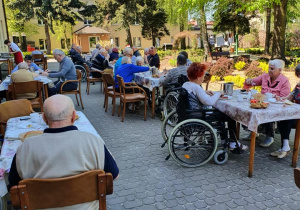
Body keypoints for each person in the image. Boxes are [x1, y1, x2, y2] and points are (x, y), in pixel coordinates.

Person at [8, 94, 119, 209]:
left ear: (44, 118)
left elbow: (14, 187)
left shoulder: (25, 148)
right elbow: (114, 176)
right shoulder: (94, 142)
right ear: (73, 116)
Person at [182, 62, 248, 150]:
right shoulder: (197, 87)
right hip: (200, 115)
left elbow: (194, 94)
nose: (204, 77)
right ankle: (232, 142)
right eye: (203, 75)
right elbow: (209, 102)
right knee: (230, 115)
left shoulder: (186, 84)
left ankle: (224, 139)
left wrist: (204, 92)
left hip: (190, 113)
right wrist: (218, 93)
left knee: (222, 113)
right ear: (198, 77)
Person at [244, 59, 290, 147]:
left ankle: (269, 136)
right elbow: (254, 81)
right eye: (269, 68)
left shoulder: (284, 81)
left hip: (276, 106)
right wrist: (249, 80)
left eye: (272, 69)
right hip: (263, 103)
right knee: (248, 109)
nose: (269, 70)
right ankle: (253, 132)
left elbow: (285, 98)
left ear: (279, 70)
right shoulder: (265, 76)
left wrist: (275, 97)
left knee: (268, 113)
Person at [270, 64, 300, 158]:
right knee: (283, 117)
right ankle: (284, 147)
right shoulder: (298, 86)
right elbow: (288, 98)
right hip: (296, 113)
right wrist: (278, 98)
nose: (299, 76)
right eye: (298, 74)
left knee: (286, 119)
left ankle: (285, 147)